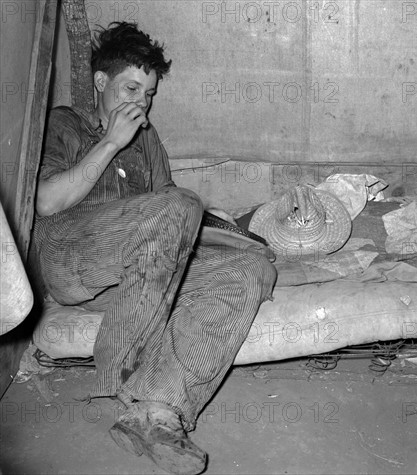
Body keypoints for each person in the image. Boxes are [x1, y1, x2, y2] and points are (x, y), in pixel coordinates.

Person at [32, 22, 277, 474]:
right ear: (101, 83)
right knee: (181, 203)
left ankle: (155, 412)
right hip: (69, 255)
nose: (140, 104)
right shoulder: (64, 122)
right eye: (130, 88)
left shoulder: (148, 140)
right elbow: (46, 202)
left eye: (148, 94)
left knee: (252, 271)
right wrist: (109, 143)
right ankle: (126, 385)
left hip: (133, 281)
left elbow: (175, 223)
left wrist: (235, 241)